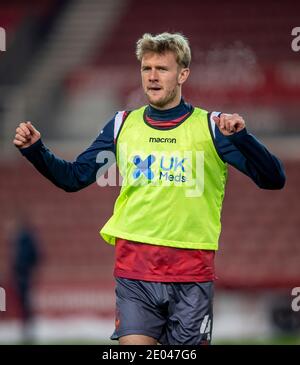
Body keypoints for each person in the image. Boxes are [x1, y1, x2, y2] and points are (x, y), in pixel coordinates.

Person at [13, 32, 286, 345]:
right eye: (146, 68)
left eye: (162, 69)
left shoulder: (213, 127)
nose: (152, 76)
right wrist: (37, 150)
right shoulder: (121, 125)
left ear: (183, 74)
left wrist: (243, 139)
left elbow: (273, 179)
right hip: (135, 270)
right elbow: (73, 178)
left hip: (191, 273)